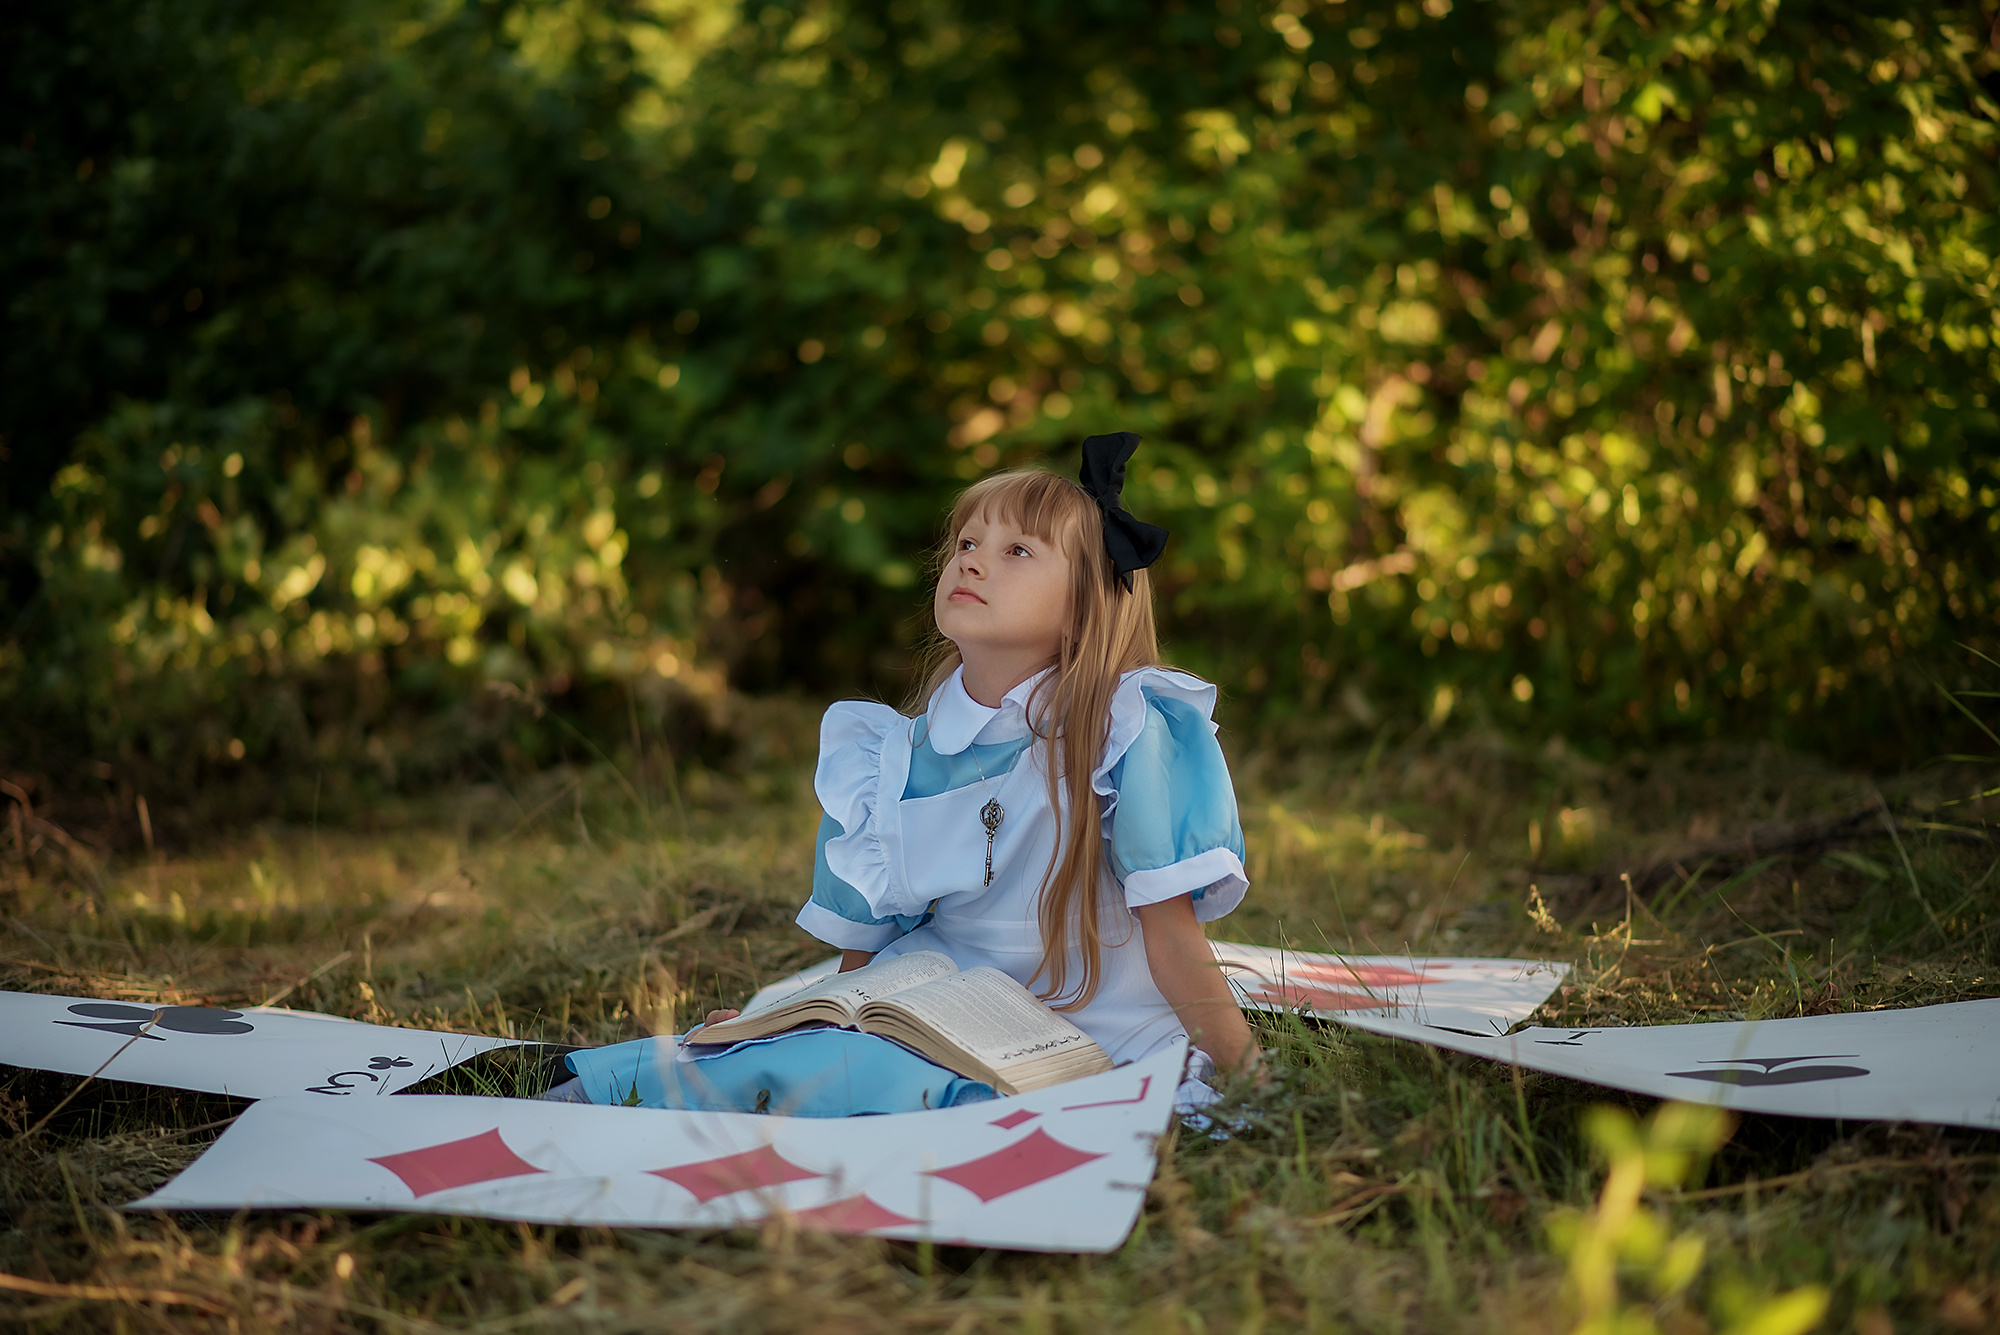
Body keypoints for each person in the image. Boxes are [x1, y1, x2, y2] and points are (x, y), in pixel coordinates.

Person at [549, 433, 1256, 1113]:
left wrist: (1247, 1075)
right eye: (967, 543)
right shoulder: (892, 758)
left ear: (1085, 605)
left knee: (919, 1086)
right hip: (942, 1001)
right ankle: (629, 1085)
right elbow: (867, 962)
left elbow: (1172, 934)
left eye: (1017, 550)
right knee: (842, 1052)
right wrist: (816, 1019)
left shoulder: (1125, 728)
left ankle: (680, 1088)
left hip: (1092, 1016)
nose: (973, 562)